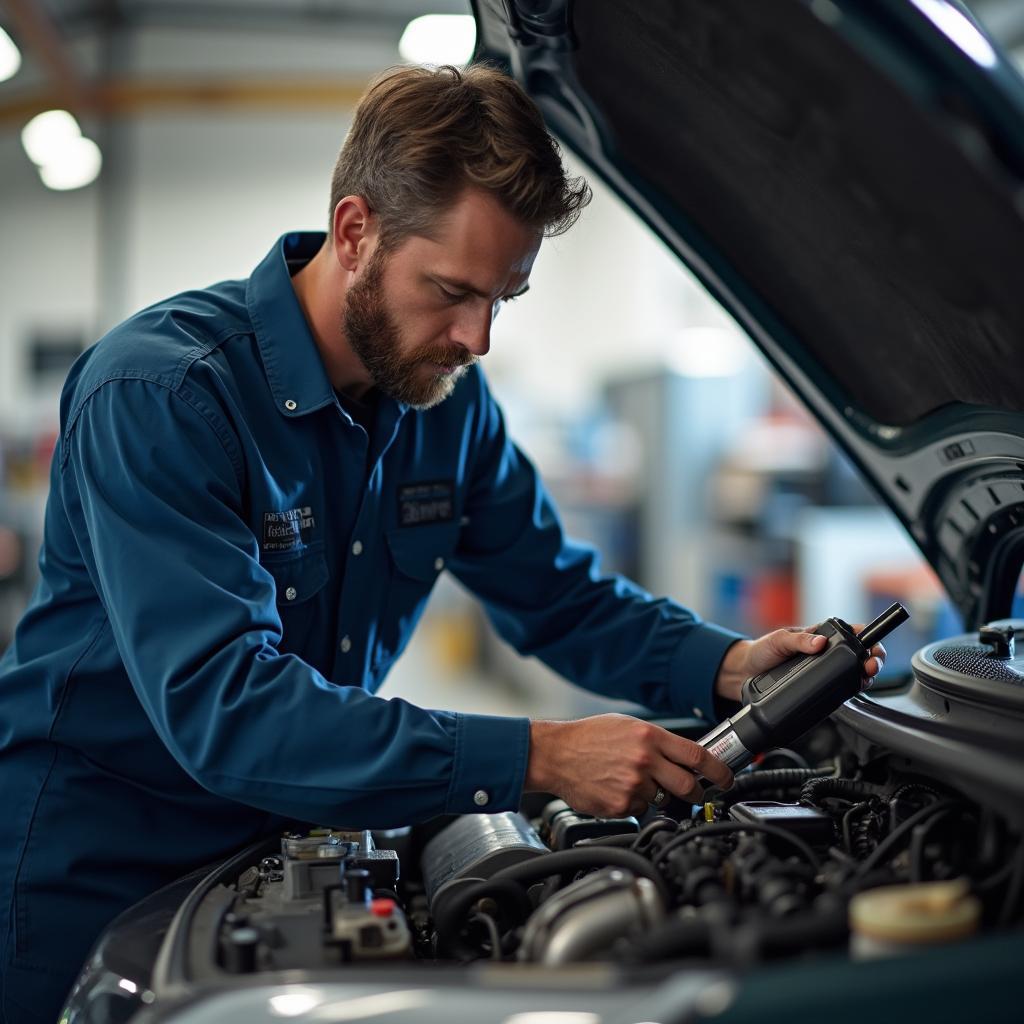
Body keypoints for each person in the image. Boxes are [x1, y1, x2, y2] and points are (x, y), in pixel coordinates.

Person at [0, 63, 884, 1022]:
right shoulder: (165, 397)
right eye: (454, 290)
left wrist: (735, 664)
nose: (478, 338)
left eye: (505, 296)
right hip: (87, 882)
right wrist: (537, 755)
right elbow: (231, 709)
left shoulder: (445, 409)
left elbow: (556, 592)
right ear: (355, 231)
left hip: (275, 855)